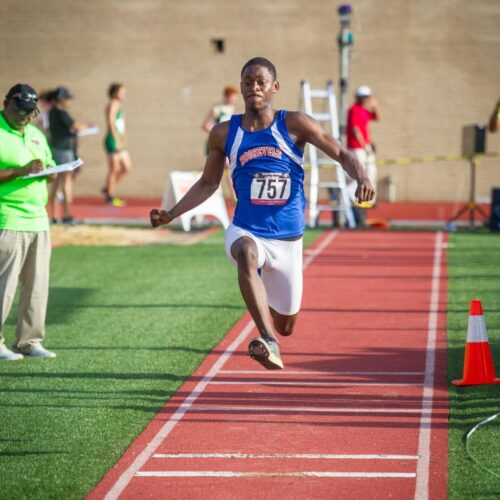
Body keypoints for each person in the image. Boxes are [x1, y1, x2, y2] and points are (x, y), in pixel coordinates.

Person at [150, 57, 374, 370]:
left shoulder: (295, 124)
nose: (254, 87)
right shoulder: (224, 133)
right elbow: (208, 182)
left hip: (287, 241)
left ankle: (273, 321)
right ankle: (268, 340)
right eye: (248, 82)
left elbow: (340, 152)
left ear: (275, 87)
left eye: (261, 82)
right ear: (241, 86)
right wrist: (172, 213)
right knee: (245, 253)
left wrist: (361, 177)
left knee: (288, 324)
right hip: (247, 229)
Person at [0, 84, 57, 360]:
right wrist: (21, 171)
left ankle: (29, 341)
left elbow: (48, 165)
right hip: (7, 218)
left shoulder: (35, 134)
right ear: (6, 103)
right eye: (20, 110)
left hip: (38, 219)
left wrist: (51, 173)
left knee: (36, 287)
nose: (25, 116)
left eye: (30, 112)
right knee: (4, 286)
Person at [48, 86, 93, 224]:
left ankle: (54, 216)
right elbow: (75, 126)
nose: (69, 102)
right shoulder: (61, 113)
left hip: (54, 150)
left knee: (54, 184)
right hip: (65, 151)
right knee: (66, 183)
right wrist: (89, 127)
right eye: (67, 99)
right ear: (61, 99)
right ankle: (66, 215)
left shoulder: (51, 113)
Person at [346, 85, 380, 225]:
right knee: (359, 175)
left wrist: (375, 105)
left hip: (365, 148)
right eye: (365, 97)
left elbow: (377, 117)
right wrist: (364, 145)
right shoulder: (353, 109)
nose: (366, 99)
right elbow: (355, 129)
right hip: (357, 148)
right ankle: (348, 195)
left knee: (371, 173)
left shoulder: (364, 110)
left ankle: (368, 200)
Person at [202, 85, 239, 200]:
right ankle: (208, 193)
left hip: (225, 143)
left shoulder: (231, 109)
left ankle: (233, 195)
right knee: (214, 168)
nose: (235, 100)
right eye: (233, 97)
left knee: (228, 166)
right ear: (227, 96)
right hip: (215, 143)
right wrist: (217, 134)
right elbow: (205, 125)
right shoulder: (217, 109)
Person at [103, 83, 133, 207]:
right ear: (115, 93)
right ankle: (110, 196)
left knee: (127, 167)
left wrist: (123, 137)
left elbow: (120, 124)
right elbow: (111, 123)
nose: (124, 94)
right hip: (113, 140)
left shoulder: (119, 105)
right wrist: (116, 140)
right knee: (114, 169)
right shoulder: (113, 105)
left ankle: (108, 188)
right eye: (122, 92)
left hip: (119, 139)